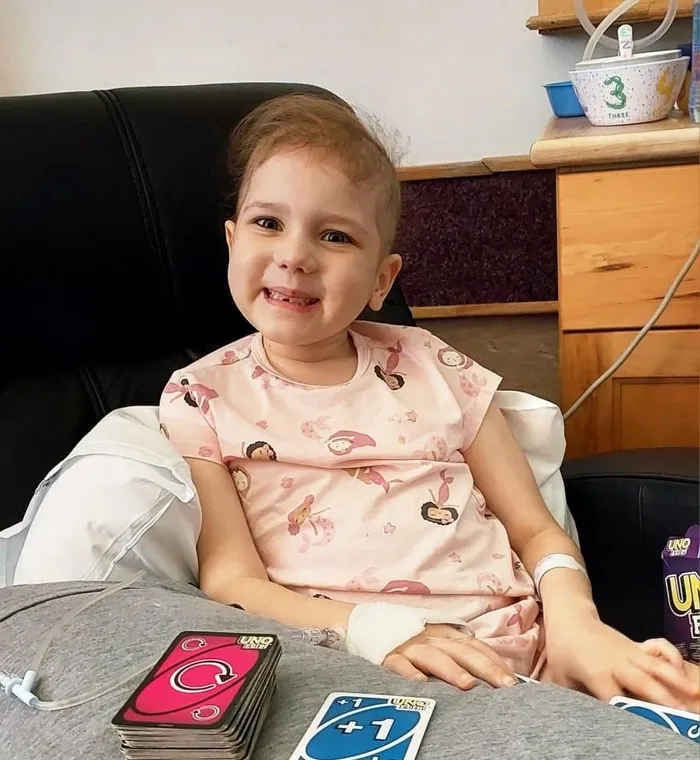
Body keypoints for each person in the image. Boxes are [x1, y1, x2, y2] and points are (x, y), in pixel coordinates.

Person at [158, 93, 700, 712]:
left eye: (335, 235)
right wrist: (378, 631)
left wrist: (579, 623)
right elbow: (231, 581)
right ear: (231, 241)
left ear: (381, 280)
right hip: (356, 668)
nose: (294, 256)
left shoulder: (435, 366)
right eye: (268, 223)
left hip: (527, 658)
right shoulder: (202, 396)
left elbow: (535, 528)